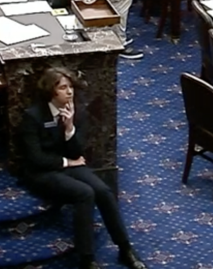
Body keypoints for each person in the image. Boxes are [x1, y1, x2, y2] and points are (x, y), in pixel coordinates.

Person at [18, 67, 148, 269]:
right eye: (63, 87)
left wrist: (69, 128)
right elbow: (35, 158)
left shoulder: (76, 112)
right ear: (51, 91)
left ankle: (125, 248)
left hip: (69, 164)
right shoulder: (33, 116)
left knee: (103, 191)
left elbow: (77, 150)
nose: (69, 92)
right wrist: (67, 163)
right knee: (84, 193)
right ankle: (86, 258)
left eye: (70, 87)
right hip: (43, 172)